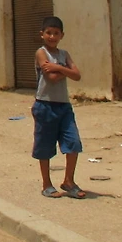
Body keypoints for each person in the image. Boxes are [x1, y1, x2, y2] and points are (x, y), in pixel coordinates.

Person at [33, 16, 85, 199]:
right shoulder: (41, 53)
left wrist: (58, 67)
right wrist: (65, 71)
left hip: (64, 106)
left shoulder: (64, 54)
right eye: (49, 33)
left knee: (73, 143)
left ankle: (68, 181)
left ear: (62, 35)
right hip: (45, 106)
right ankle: (47, 184)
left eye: (56, 33)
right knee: (45, 146)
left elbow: (77, 75)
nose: (52, 36)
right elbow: (51, 78)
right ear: (42, 34)